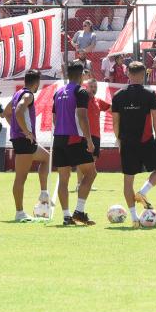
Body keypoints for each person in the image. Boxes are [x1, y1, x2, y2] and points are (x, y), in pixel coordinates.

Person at [111, 60, 156, 228]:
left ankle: (134, 218)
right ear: (143, 75)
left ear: (128, 74)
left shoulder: (118, 95)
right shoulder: (150, 94)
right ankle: (143, 192)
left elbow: (115, 122)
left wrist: (118, 139)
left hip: (127, 142)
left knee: (128, 181)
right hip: (146, 140)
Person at [52, 62, 97, 226]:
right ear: (80, 75)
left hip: (59, 138)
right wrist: (89, 141)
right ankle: (79, 211)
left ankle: (66, 217)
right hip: (74, 138)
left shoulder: (58, 92)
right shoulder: (81, 91)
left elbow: (54, 118)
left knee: (63, 179)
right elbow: (82, 116)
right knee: (91, 173)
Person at [7, 70, 52, 222]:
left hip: (23, 140)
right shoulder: (28, 95)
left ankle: (44, 193)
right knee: (20, 178)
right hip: (24, 140)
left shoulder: (17, 93)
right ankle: (19, 213)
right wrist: (25, 132)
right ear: (36, 82)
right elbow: (19, 110)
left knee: (47, 157)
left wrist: (17, 129)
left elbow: (6, 112)